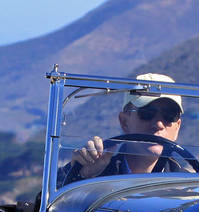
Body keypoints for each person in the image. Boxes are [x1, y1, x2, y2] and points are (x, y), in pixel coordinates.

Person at [60, 73, 189, 185]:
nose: (159, 124)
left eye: (169, 115)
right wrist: (81, 177)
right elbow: (44, 205)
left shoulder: (190, 190)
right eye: (147, 113)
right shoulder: (95, 172)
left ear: (177, 127)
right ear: (125, 122)